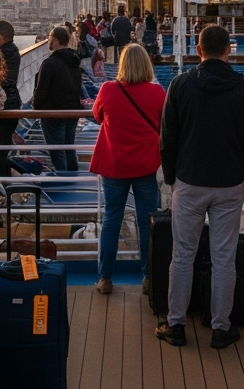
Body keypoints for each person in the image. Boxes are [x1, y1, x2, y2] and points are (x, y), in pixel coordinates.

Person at [155, 25, 244, 350]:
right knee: (223, 258)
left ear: (198, 50)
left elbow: (167, 138)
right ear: (229, 50)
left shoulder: (180, 85)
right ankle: (220, 328)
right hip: (230, 183)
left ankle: (176, 325)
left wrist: (172, 177)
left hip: (189, 181)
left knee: (182, 256)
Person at [89, 43, 165, 296]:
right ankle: (148, 278)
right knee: (147, 222)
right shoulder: (157, 93)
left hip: (114, 165)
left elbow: (98, 116)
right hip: (145, 165)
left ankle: (105, 278)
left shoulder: (108, 90)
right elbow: (162, 124)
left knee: (111, 220)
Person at [34, 26, 84, 172]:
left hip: (53, 114)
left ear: (55, 40)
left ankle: (64, 180)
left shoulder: (49, 63)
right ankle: (73, 177)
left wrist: (36, 108)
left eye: (50, 39)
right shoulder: (74, 62)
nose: (49, 42)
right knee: (69, 148)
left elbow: (41, 91)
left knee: (57, 153)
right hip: (72, 112)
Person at [0, 21, 22, 179]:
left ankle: (1, 185)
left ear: (0, 37)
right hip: (12, 105)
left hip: (4, 108)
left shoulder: (2, 56)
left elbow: (1, 83)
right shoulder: (12, 52)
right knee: (0, 151)